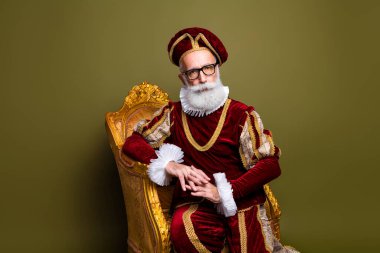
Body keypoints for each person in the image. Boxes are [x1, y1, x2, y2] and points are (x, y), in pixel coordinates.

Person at [123, 27, 297, 253]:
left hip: (241, 200)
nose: (202, 78)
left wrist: (225, 192)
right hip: (196, 203)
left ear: (218, 69)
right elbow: (132, 143)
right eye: (193, 72)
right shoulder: (172, 114)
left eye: (208, 68)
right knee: (183, 231)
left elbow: (271, 165)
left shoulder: (241, 114)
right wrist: (169, 165)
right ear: (183, 78)